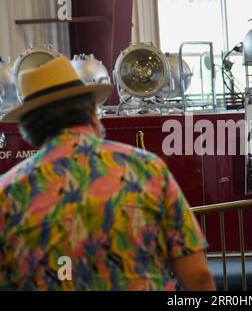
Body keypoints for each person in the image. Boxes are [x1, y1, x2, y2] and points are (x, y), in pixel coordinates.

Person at [0, 56, 216, 291]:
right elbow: (198, 277)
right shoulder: (147, 169)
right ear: (93, 112)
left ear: (28, 130)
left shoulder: (9, 192)